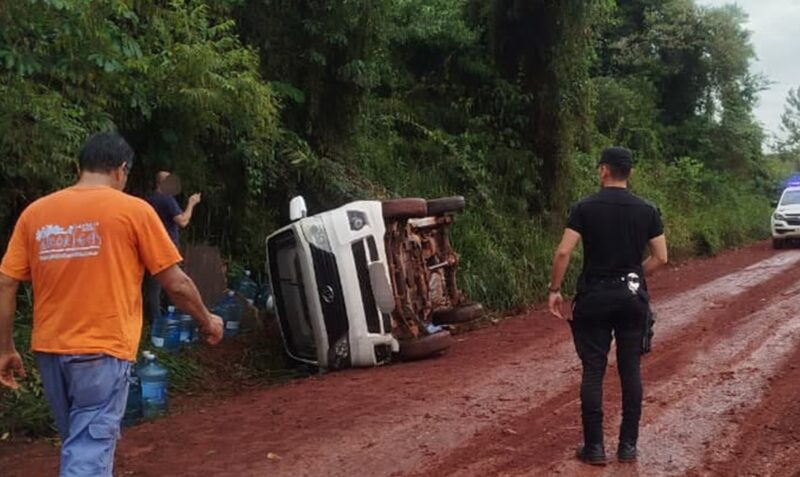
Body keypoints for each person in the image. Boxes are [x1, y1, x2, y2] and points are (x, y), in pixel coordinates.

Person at [0, 132, 223, 476]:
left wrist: (5, 348)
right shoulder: (133, 211)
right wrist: (207, 320)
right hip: (101, 351)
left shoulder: (36, 213)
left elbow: (6, 282)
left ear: (80, 167)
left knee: (79, 444)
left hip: (50, 351)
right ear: (121, 170)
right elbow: (176, 284)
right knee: (87, 453)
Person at [547, 146, 668, 465]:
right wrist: (633, 277)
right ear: (630, 172)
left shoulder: (584, 207)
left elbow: (563, 252)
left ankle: (595, 448)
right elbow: (661, 257)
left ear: (604, 170)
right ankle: (627, 446)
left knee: (593, 370)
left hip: (594, 298)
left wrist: (555, 290)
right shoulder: (647, 210)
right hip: (631, 299)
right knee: (630, 369)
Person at [143, 171, 201, 322]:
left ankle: (155, 320)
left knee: (153, 286)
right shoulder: (167, 199)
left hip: (151, 246)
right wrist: (192, 203)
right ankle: (166, 321)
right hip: (167, 249)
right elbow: (183, 221)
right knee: (173, 284)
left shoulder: (149, 199)